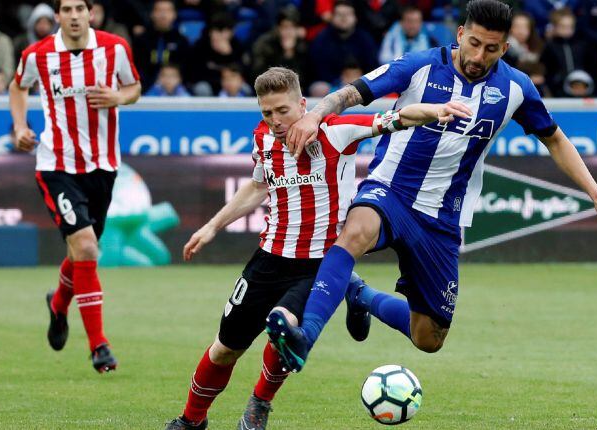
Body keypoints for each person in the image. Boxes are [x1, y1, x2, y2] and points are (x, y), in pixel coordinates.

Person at [267, 0, 597, 374]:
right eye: (474, 43)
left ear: (505, 48)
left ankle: (361, 295)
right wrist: (314, 115)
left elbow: (554, 139)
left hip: (442, 216)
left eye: (491, 49)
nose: (479, 56)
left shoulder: (516, 88)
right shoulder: (420, 65)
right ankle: (305, 336)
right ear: (460, 34)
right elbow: (352, 93)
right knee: (354, 233)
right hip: (390, 189)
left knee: (429, 337)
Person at [163, 66, 471, 430]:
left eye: (282, 110)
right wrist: (212, 226)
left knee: (285, 330)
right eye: (267, 112)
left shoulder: (336, 131)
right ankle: (192, 421)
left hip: (318, 265)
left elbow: (399, 117)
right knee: (224, 349)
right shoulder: (263, 138)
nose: (275, 120)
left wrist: (435, 110)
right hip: (268, 259)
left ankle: (260, 402)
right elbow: (258, 186)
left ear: (302, 105)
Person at [8, 0, 141, 373]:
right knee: (85, 246)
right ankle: (99, 346)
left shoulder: (114, 47)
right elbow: (17, 87)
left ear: (90, 13)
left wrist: (118, 97)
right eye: (66, 9)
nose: (74, 15)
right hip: (57, 165)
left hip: (103, 166)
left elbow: (134, 87)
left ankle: (59, 303)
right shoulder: (37, 54)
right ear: (58, 15)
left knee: (83, 250)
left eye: (80, 7)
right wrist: (19, 126)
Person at [309, 0, 378, 84]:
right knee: (319, 87)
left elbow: (372, 68)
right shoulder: (321, 40)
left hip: (361, 84)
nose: (343, 18)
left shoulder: (365, 39)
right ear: (332, 17)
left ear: (355, 17)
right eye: (339, 14)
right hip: (330, 85)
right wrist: (339, 81)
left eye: (348, 14)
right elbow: (318, 70)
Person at [132, 0, 190, 90]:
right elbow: (137, 68)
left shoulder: (181, 41)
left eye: (168, 10)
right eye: (159, 10)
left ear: (174, 14)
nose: (163, 15)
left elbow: (186, 68)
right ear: (152, 14)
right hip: (145, 86)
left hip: (176, 85)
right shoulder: (141, 40)